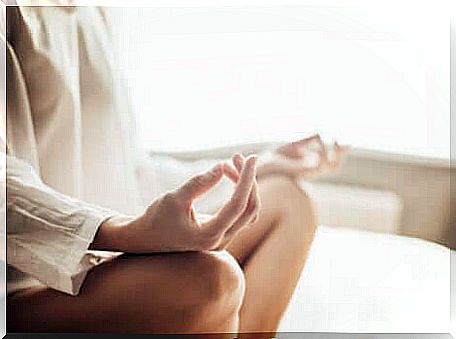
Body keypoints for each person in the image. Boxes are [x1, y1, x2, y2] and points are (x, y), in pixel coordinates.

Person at [4, 5, 347, 335]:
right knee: (210, 280)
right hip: (20, 291)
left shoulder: (91, 12)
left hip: (100, 256)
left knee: (288, 200)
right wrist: (122, 231)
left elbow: (129, 170)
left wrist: (256, 166)